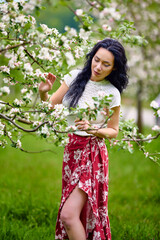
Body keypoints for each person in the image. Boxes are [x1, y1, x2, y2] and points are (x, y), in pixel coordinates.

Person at [39, 38, 128, 240]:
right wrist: (43, 93)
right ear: (91, 57)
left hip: (92, 153)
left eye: (106, 64)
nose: (98, 67)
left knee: (68, 216)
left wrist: (94, 130)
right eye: (97, 60)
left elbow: (113, 130)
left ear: (114, 69)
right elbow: (50, 109)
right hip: (72, 150)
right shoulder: (74, 77)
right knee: (74, 213)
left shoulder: (111, 93)